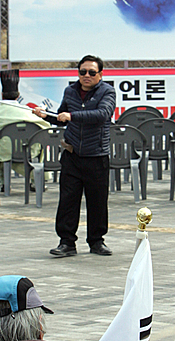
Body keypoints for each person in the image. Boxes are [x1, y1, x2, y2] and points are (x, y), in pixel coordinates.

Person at [33, 55, 116, 258]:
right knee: (68, 201)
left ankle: (97, 241)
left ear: (100, 75)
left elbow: (102, 115)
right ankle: (66, 242)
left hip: (96, 155)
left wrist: (72, 116)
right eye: (82, 72)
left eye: (91, 72)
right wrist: (47, 115)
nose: (86, 76)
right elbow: (62, 117)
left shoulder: (107, 91)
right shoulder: (70, 91)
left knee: (97, 202)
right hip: (72, 155)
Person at [0, 69, 49, 185]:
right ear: (18, 96)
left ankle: (2, 182)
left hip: (4, 152)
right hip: (28, 151)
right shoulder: (27, 111)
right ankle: (36, 180)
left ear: (2, 95)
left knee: (2, 145)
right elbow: (46, 127)